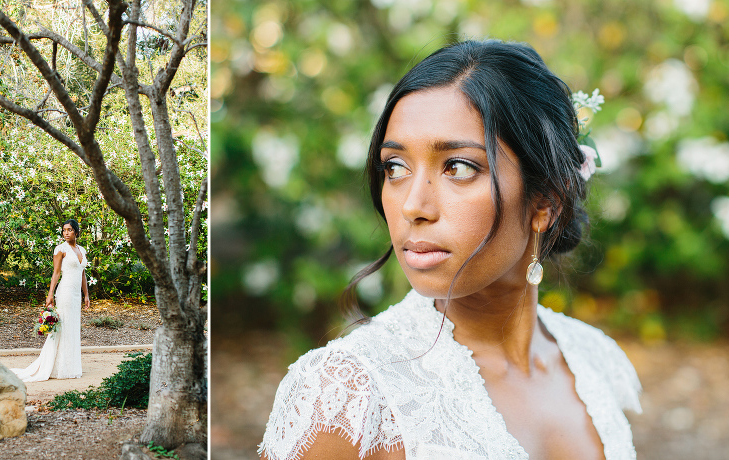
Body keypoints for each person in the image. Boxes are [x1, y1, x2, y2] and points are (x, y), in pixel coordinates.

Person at [259, 40, 641, 460]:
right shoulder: (346, 397)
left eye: (457, 167)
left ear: (546, 200)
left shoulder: (596, 363)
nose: (412, 206)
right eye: (395, 167)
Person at [12, 219, 90, 382]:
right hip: (65, 292)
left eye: (69, 230)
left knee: (73, 328)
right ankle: (57, 367)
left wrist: (86, 295)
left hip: (76, 295)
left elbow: (82, 273)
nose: (66, 233)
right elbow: (56, 273)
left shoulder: (81, 250)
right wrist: (50, 295)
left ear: (76, 231)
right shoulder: (60, 249)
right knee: (63, 327)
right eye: (64, 230)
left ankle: (71, 366)